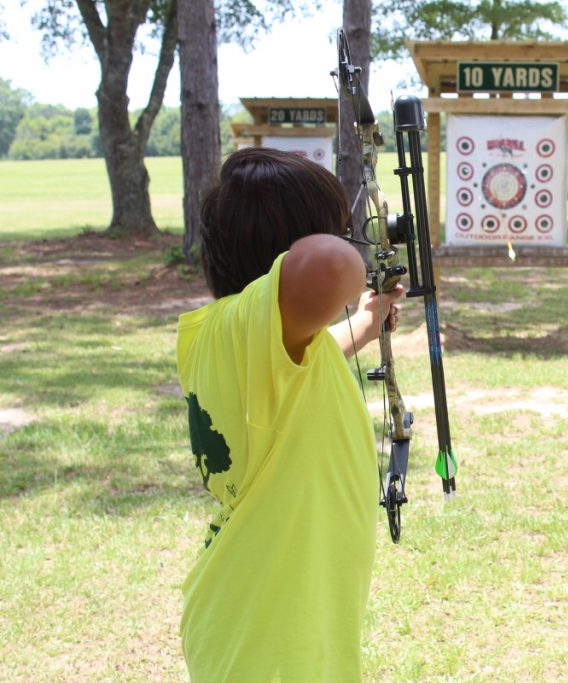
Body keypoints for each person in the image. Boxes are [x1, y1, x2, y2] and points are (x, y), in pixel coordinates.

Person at [175, 147, 401, 681]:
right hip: (266, 635)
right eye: (338, 230)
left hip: (256, 613)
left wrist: (365, 326)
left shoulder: (236, 339)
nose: (348, 244)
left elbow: (301, 371)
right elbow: (329, 264)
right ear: (288, 251)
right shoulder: (241, 325)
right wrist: (348, 250)